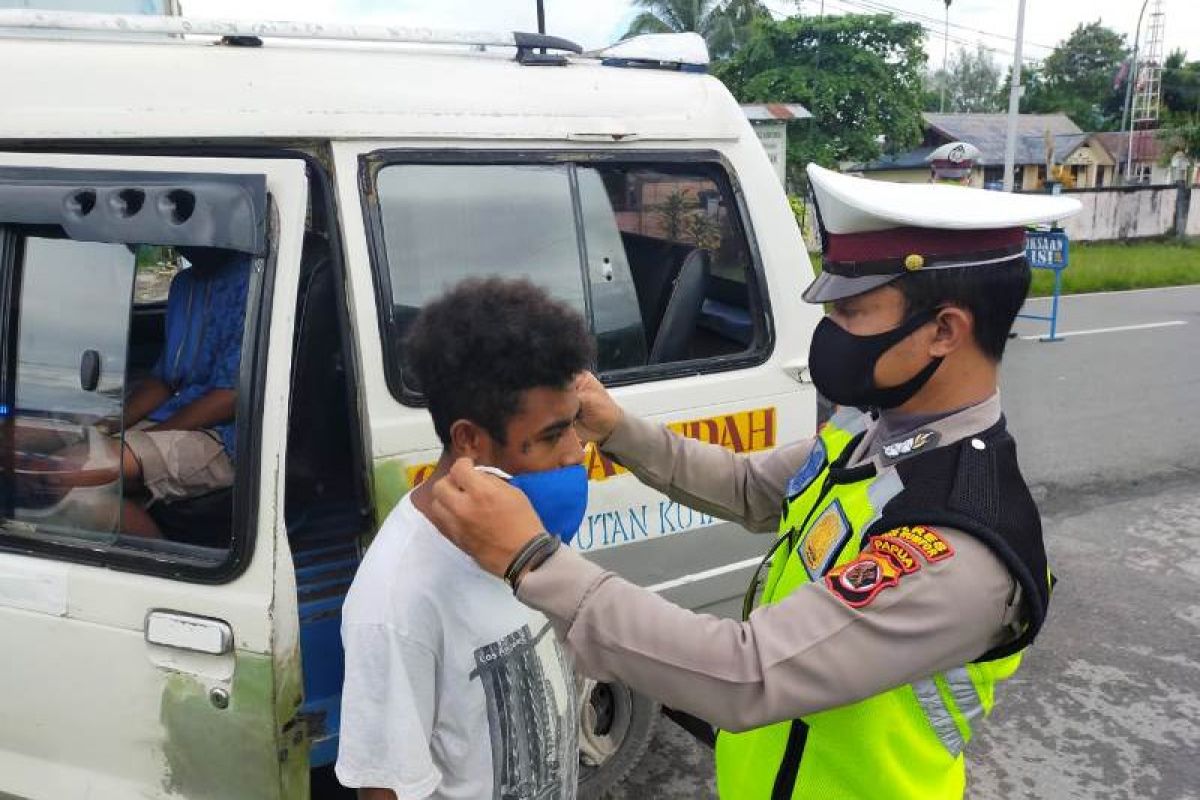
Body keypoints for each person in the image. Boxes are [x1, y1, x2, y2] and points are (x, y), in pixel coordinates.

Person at [425, 165, 1082, 799]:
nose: (829, 336)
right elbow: (747, 486)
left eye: (851, 316)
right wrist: (617, 426)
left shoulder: (958, 544)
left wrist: (534, 561)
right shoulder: (875, 434)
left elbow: (745, 673)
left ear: (943, 331)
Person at [336, 278, 590, 800]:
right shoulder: (398, 598)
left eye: (574, 426)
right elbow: (386, 787)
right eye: (550, 435)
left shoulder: (530, 522)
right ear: (469, 439)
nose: (574, 453)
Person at [41, 246, 250, 537]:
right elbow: (165, 379)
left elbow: (231, 397)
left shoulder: (252, 280)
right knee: (32, 440)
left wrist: (146, 436)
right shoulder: (183, 285)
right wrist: (115, 422)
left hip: (226, 438)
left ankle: (167, 574)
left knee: (69, 470)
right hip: (177, 415)